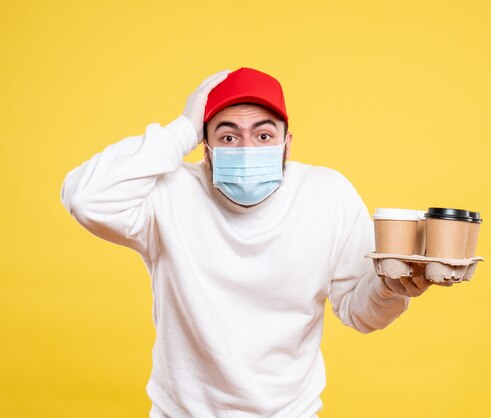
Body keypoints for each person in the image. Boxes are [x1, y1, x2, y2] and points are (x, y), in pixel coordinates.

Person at [60, 68, 441, 418]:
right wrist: (181, 130)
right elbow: (86, 199)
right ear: (205, 148)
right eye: (228, 136)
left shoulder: (327, 194)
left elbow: (361, 313)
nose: (246, 148)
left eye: (263, 135)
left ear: (287, 144)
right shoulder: (170, 193)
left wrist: (391, 288)